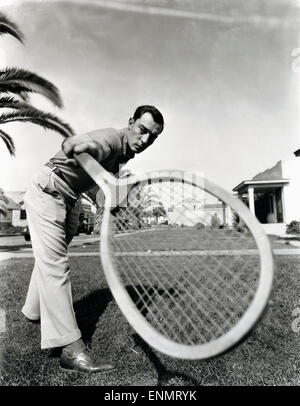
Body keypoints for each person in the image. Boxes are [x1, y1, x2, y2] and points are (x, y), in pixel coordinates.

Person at [22, 105, 164, 373]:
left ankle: (32, 312)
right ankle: (71, 351)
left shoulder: (124, 155)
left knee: (50, 258)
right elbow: (78, 145)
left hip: (70, 197)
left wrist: (106, 199)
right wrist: (81, 146)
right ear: (131, 122)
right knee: (55, 265)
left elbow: (96, 182)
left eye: (152, 137)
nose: (145, 140)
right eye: (143, 130)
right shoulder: (111, 139)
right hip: (49, 189)